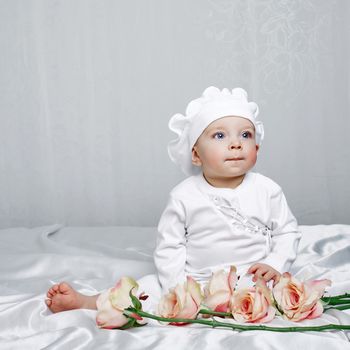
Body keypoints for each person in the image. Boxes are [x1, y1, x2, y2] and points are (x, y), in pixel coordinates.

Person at [46, 86, 301, 313]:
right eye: (220, 136)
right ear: (196, 154)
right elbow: (170, 246)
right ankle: (89, 302)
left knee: (281, 296)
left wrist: (274, 262)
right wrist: (178, 288)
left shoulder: (267, 189)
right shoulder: (184, 195)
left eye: (245, 135)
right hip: (196, 280)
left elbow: (287, 231)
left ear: (256, 148)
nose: (235, 143)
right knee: (144, 292)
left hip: (251, 278)